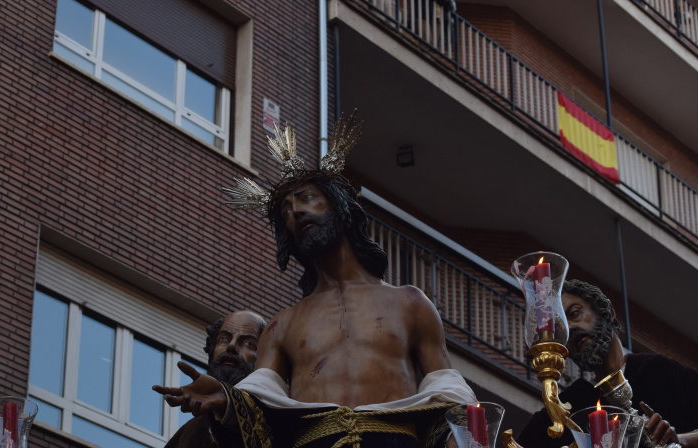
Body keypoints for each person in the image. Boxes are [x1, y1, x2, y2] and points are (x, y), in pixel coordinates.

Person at [154, 117, 476, 448]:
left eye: (306, 198)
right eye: (287, 212)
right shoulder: (283, 324)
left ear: (343, 209)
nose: (295, 212)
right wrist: (225, 400)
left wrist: (459, 438)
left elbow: (447, 394)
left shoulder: (410, 303)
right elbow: (261, 407)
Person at [516, 279, 698, 448]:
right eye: (561, 330)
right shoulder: (569, 407)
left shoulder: (661, 372)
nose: (570, 328)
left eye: (575, 313)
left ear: (607, 312)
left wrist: (679, 440)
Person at [165, 310, 267, 448]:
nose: (231, 346)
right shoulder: (183, 438)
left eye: (248, 343)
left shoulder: (278, 420)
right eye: (224, 339)